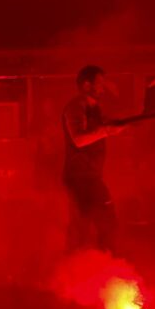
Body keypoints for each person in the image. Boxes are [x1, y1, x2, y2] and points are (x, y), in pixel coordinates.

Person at [62, 65, 124, 253]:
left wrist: (119, 125)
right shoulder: (75, 107)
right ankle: (81, 262)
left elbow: (106, 124)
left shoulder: (95, 108)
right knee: (88, 223)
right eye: (100, 84)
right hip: (79, 177)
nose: (103, 88)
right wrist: (107, 131)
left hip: (92, 176)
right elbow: (79, 139)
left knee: (101, 221)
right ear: (86, 85)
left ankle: (100, 260)